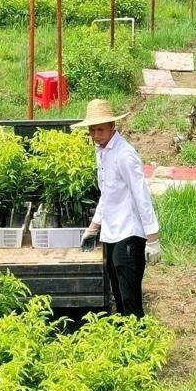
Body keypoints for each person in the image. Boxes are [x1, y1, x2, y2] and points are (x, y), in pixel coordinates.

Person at [75, 98, 160, 316]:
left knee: (130, 299)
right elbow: (108, 193)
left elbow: (142, 195)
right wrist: (94, 227)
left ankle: (138, 342)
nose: (96, 135)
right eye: (92, 130)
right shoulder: (103, 152)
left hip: (129, 234)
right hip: (112, 233)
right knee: (118, 295)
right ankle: (123, 338)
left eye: (101, 129)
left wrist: (153, 239)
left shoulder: (125, 155)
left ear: (113, 126)